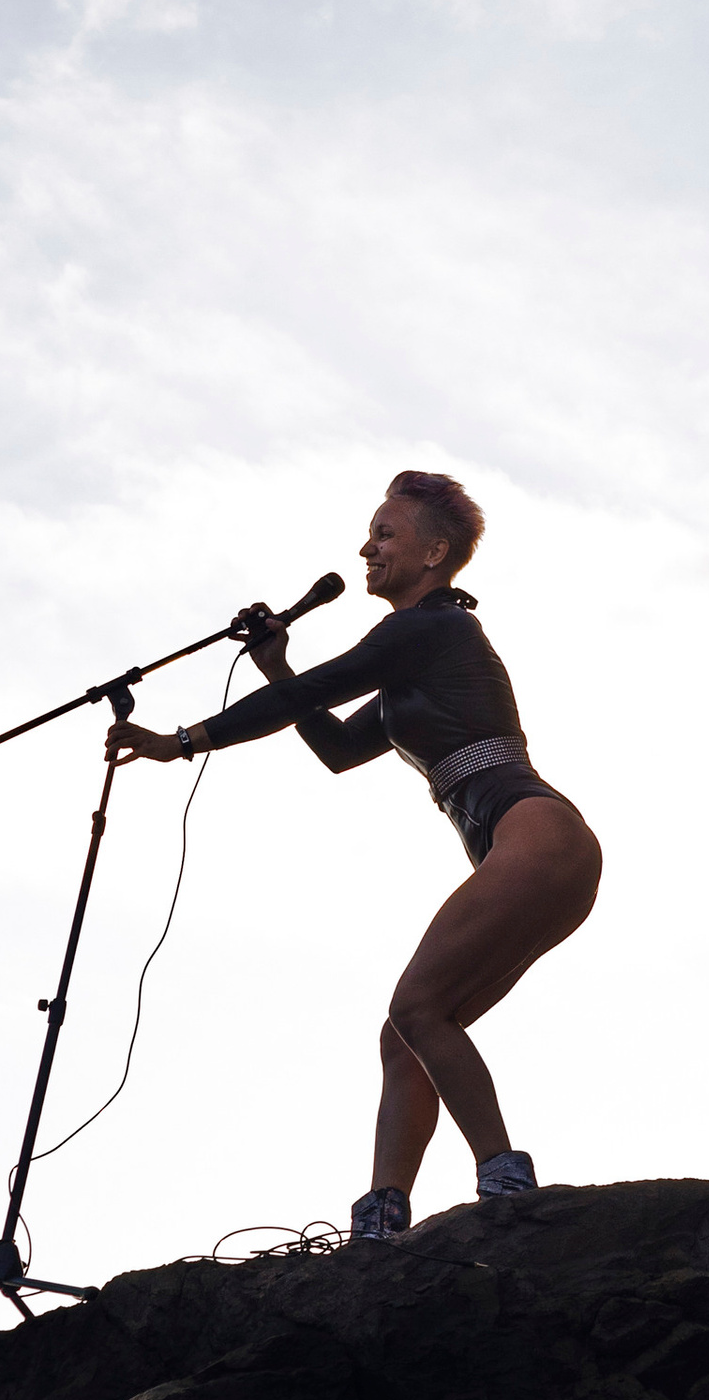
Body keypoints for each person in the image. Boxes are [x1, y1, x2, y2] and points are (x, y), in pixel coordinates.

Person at [107, 471, 601, 1241]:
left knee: (416, 1008)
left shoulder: (431, 628)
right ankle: (382, 1218)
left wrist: (182, 741)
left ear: (434, 553)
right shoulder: (416, 660)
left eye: (385, 534)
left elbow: (317, 693)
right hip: (545, 854)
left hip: (533, 836)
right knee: (408, 1031)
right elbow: (337, 746)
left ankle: (506, 1183)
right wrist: (277, 665)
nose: (366, 549)